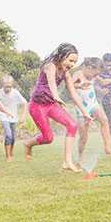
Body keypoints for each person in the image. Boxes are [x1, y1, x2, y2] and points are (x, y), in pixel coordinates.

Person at [23, 43, 93, 173]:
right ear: (61, 56)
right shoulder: (50, 66)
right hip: (37, 106)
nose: (72, 64)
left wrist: (85, 113)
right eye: (70, 60)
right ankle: (28, 143)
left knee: (72, 125)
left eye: (75, 62)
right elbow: (51, 83)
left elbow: (74, 94)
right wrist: (56, 96)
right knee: (48, 138)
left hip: (51, 105)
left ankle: (67, 161)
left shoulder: (66, 74)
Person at [72, 57, 111, 164]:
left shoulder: (95, 75)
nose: (94, 76)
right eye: (94, 74)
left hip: (93, 103)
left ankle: (107, 148)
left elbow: (103, 82)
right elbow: (70, 85)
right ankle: (80, 157)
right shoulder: (78, 74)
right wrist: (80, 85)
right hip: (81, 108)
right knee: (83, 137)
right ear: (89, 68)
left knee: (104, 120)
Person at [0, 75, 28, 162]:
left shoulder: (15, 92)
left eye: (10, 86)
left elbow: (25, 103)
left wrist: (23, 116)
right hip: (3, 116)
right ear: (2, 85)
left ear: (12, 85)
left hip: (14, 116)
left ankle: (11, 152)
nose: (8, 88)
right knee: (8, 134)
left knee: (13, 137)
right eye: (6, 86)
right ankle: (8, 156)